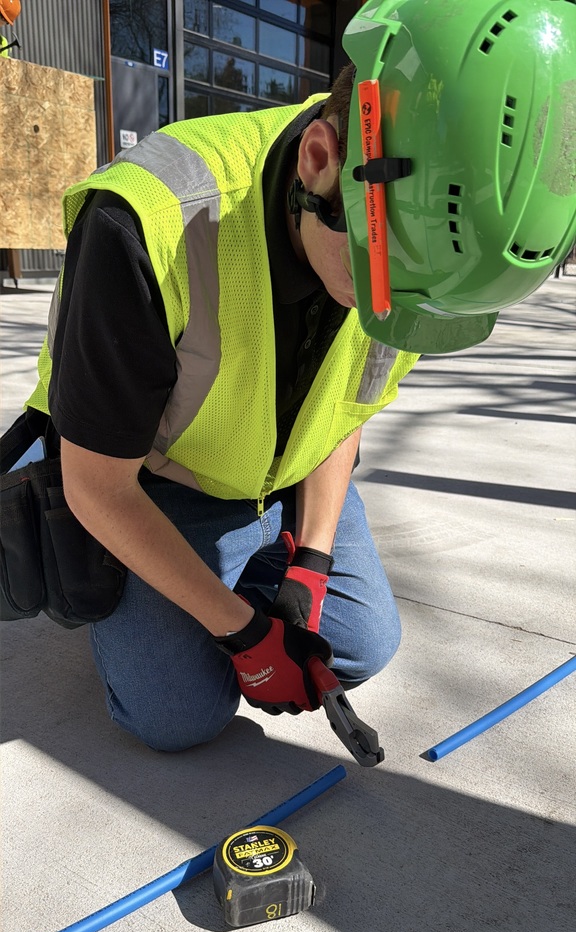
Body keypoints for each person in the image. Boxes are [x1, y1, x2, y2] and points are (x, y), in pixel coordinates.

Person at [25, 0, 576, 752]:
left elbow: (342, 414)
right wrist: (246, 633)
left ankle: (231, 571)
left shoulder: (421, 256)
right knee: (177, 717)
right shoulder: (150, 219)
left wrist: (311, 563)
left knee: (362, 645)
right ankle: (128, 594)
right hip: (143, 481)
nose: (387, 312)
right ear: (320, 161)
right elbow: (97, 485)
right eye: (378, 280)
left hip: (276, 473)